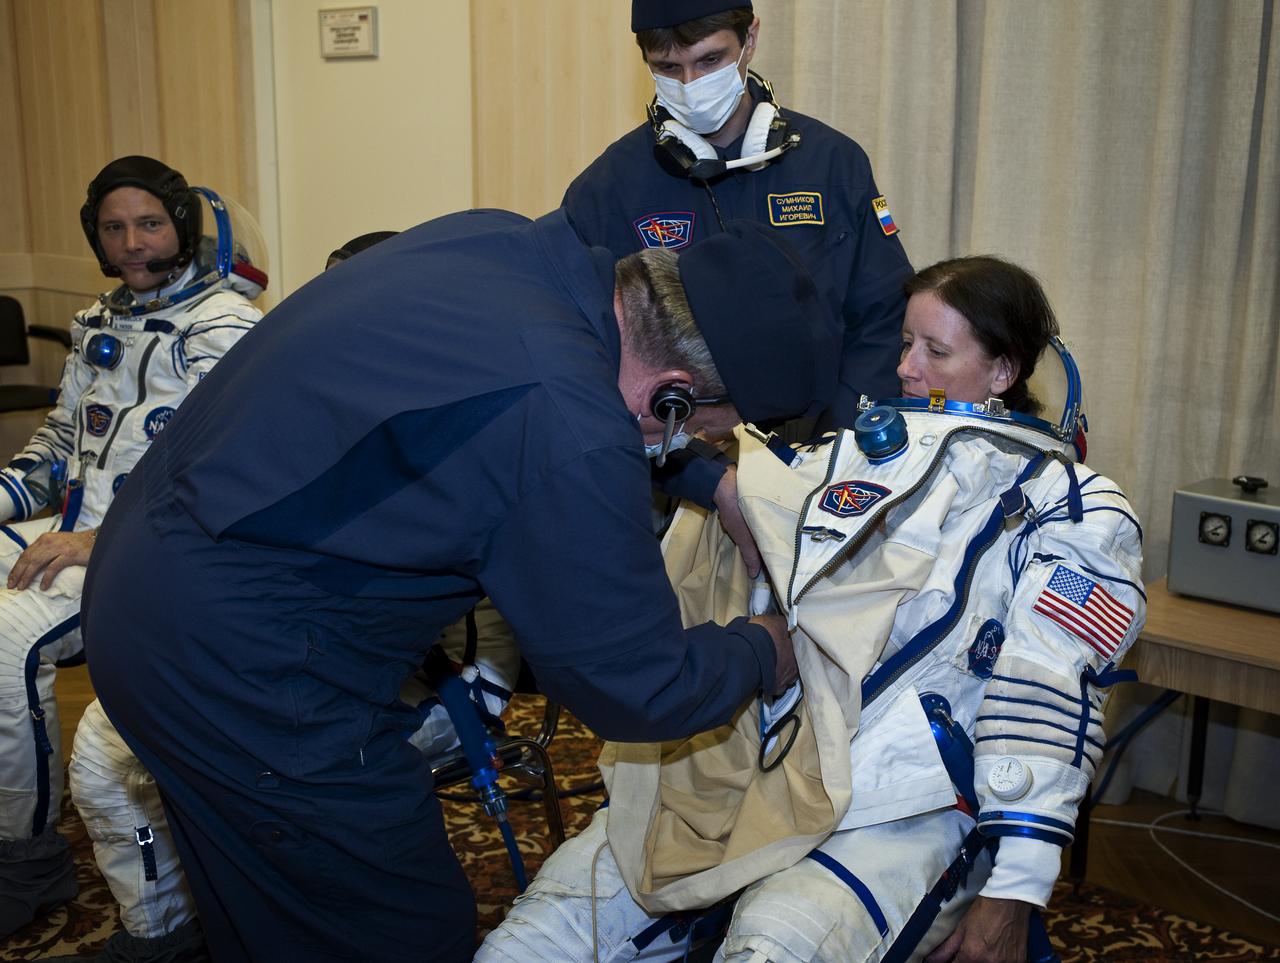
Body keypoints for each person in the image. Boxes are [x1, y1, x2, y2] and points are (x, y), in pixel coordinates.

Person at [78, 211, 838, 961]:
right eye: (703, 429)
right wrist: (764, 648)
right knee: (391, 925)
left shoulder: (505, 242)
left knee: (265, 900)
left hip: (150, 567)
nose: (692, 443)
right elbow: (636, 686)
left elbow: (564, 406)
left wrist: (709, 479)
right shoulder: (567, 428)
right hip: (236, 660)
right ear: (673, 391)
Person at [477, 256, 1146, 963]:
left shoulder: (1072, 507)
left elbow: (1048, 691)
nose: (908, 369)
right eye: (905, 344)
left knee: (774, 946)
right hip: (746, 769)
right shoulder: (831, 457)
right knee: (535, 939)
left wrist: (1015, 887)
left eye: (936, 351)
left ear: (1005, 371)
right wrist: (718, 480)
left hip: (903, 805)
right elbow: (716, 504)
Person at [0, 156, 266, 941]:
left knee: (10, 641)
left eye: (149, 223)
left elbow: (223, 472)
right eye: (114, 228)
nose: (132, 243)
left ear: (182, 225)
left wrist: (94, 538)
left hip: (156, 548)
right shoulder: (95, 324)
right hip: (78, 530)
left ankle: (27, 856)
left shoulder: (225, 327)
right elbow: (57, 446)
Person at [563, 0, 913, 432]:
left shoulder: (834, 164)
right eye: (669, 68)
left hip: (825, 443)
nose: (691, 85)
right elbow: (586, 354)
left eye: (710, 59)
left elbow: (881, 315)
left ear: (749, 39)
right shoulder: (605, 191)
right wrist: (697, 470)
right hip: (679, 452)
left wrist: (839, 441)